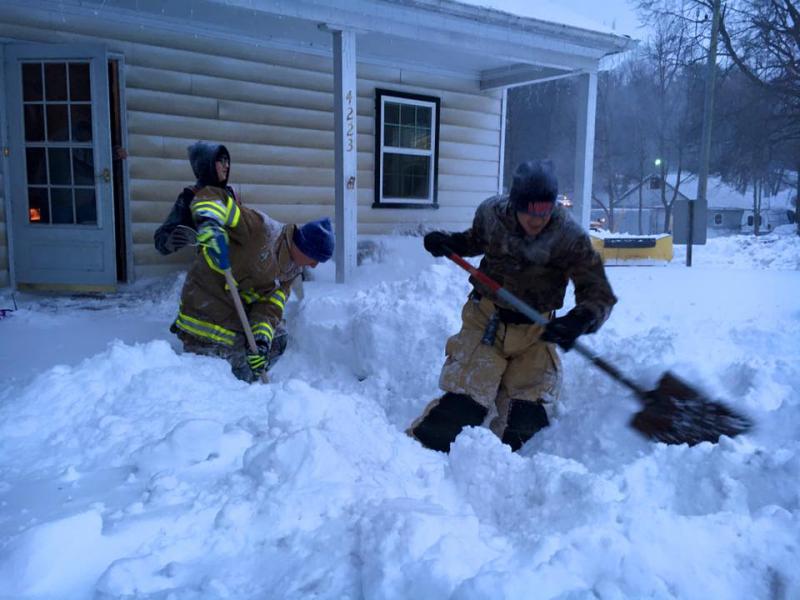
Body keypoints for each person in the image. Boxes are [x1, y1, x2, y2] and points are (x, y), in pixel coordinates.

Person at [407, 160, 617, 452]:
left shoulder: (568, 237)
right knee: (462, 409)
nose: (537, 218)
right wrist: (450, 242)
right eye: (529, 210)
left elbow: (598, 292)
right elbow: (477, 240)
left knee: (526, 424)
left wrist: (580, 319)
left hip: (535, 332)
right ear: (515, 203)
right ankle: (413, 461)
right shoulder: (492, 214)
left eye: (544, 209)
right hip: (486, 321)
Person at [170, 141, 334, 382]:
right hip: (205, 306)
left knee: (277, 340)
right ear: (305, 247)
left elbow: (270, 308)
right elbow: (213, 198)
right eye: (315, 259)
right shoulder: (261, 229)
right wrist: (209, 224)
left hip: (235, 315)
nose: (313, 266)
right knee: (210, 376)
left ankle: (242, 389)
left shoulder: (290, 271)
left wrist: (260, 340)